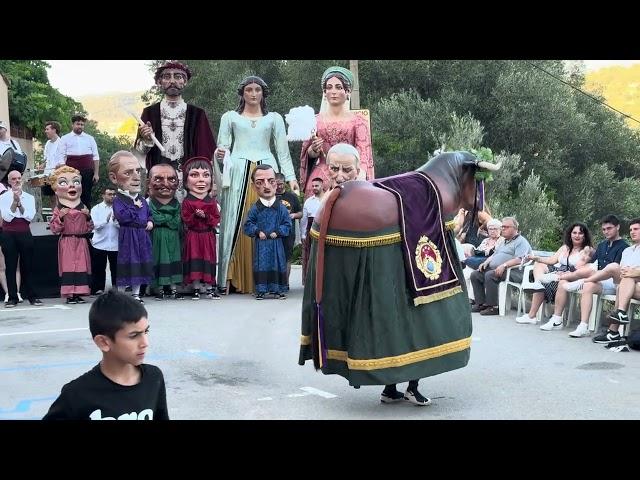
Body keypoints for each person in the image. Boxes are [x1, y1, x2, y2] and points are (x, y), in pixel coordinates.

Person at [300, 148, 498, 405]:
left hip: (406, 276)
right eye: (334, 168)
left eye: (346, 169)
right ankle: (395, 387)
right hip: (401, 281)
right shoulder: (349, 198)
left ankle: (405, 387)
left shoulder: (382, 193)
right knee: (403, 330)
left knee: (405, 329)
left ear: (359, 168)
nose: (339, 175)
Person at [214, 75, 298, 294]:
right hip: (239, 171)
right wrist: (221, 154)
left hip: (268, 169)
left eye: (257, 90)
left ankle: (270, 280)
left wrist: (290, 178)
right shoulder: (229, 117)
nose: (253, 94)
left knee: (271, 221)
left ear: (263, 93)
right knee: (237, 220)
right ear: (242, 93)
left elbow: (282, 152)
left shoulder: (274, 119)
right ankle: (231, 278)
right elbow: (222, 148)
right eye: (249, 89)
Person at [43, 290, 169, 420]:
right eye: (134, 336)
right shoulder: (78, 393)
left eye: (146, 332)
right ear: (103, 342)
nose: (145, 343)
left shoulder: (154, 378)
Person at [539, 214, 628, 338]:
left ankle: (564, 277)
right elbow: (591, 264)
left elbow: (616, 270)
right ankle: (559, 320)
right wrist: (581, 265)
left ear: (617, 227)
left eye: (609, 228)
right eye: (604, 229)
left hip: (612, 281)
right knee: (568, 284)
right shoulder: (602, 245)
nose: (606, 231)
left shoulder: (624, 247)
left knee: (587, 277)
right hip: (595, 279)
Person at [299, 66, 373, 199]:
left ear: (348, 91)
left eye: (338, 87)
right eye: (329, 87)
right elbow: (306, 154)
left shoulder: (358, 122)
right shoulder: (314, 121)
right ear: (324, 92)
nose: (333, 91)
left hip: (349, 177)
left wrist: (359, 180)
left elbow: (363, 155)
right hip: (321, 177)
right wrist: (313, 150)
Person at [135, 61, 216, 173]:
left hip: (189, 177)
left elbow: (205, 151)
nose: (172, 81)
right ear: (159, 82)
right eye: (167, 77)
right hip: (158, 176)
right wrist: (146, 140)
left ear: (185, 81)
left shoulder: (198, 114)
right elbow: (139, 154)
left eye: (178, 77)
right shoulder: (149, 113)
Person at [515, 222, 592, 326]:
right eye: (574, 233)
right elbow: (552, 260)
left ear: (585, 235)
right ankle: (538, 284)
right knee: (539, 265)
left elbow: (582, 268)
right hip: (557, 272)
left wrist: (565, 273)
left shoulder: (587, 250)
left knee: (545, 282)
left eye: (580, 233)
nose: (577, 235)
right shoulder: (565, 247)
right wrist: (535, 258)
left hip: (572, 275)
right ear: (570, 234)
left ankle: (532, 315)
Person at [583, 219, 640, 345]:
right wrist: (630, 273)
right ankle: (615, 328)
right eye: (631, 230)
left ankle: (614, 331)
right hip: (631, 286)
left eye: (636, 229)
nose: (632, 232)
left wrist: (635, 272)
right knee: (623, 285)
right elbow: (623, 271)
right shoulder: (628, 251)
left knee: (625, 280)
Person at [109, 151, 153, 304]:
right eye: (128, 172)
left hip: (141, 236)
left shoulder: (141, 198)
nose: (136, 177)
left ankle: (136, 293)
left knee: (140, 263)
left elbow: (148, 213)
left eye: (138, 171)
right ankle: (120, 294)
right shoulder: (119, 199)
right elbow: (123, 217)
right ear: (114, 178)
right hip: (128, 236)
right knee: (126, 263)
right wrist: (134, 208)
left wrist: (149, 221)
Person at [243, 164, 291, 300]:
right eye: (260, 182)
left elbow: (287, 224)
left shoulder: (281, 208)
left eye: (271, 181)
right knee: (261, 265)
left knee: (278, 264)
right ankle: (261, 290)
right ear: (254, 187)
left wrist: (278, 231)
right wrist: (257, 231)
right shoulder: (255, 208)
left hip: (276, 244)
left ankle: (278, 290)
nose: (266, 186)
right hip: (262, 244)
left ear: (276, 184)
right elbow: (248, 225)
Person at [48, 166, 94, 304]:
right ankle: (69, 294)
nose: (71, 186)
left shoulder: (83, 207)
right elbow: (54, 229)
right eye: (64, 182)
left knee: (81, 266)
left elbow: (90, 227)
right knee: (68, 266)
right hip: (67, 241)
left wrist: (88, 217)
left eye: (75, 182)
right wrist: (60, 218)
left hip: (80, 241)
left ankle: (79, 293)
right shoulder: (58, 209)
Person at [470, 217, 532, 315]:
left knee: (490, 275)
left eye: (506, 227)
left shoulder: (521, 241)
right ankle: (481, 303)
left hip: (514, 272)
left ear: (515, 228)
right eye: (502, 227)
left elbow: (520, 259)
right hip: (499, 269)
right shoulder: (504, 241)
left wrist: (504, 265)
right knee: (475, 274)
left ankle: (493, 307)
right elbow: (495, 254)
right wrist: (485, 262)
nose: (503, 229)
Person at [0, 170, 43, 308]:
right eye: (14, 179)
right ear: (9, 181)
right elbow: (7, 217)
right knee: (10, 266)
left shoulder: (29, 198)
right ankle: (12, 297)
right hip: (8, 234)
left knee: (28, 265)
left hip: (24, 233)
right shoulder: (3, 197)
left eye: (19, 178)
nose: (17, 181)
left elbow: (29, 216)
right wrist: (14, 202)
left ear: (22, 180)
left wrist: (20, 205)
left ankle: (32, 296)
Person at [182, 157, 221, 300]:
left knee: (209, 260)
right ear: (186, 180)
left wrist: (205, 216)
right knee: (195, 261)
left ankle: (210, 288)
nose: (201, 180)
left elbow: (216, 219)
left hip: (207, 235)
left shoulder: (211, 202)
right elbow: (186, 219)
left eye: (206, 175)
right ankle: (196, 288)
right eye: (194, 175)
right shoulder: (187, 201)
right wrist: (194, 215)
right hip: (193, 236)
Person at [147, 163, 183, 300]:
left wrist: (165, 220)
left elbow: (177, 221)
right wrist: (168, 219)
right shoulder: (149, 203)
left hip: (173, 237)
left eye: (171, 179)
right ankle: (160, 288)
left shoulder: (176, 204)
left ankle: (173, 288)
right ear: (148, 183)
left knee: (174, 260)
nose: (166, 184)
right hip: (157, 237)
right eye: (158, 179)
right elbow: (155, 218)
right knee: (159, 259)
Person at [56, 114, 100, 209]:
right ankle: (70, 218)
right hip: (71, 171)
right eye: (78, 124)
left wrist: (96, 173)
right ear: (73, 125)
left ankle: (86, 220)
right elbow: (61, 156)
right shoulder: (65, 138)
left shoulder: (90, 138)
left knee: (86, 195)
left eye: (82, 124)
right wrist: (65, 172)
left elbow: (96, 157)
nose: (80, 126)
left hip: (87, 171)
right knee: (71, 194)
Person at [90, 187, 119, 295]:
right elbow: (95, 226)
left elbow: (123, 225)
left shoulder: (119, 208)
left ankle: (116, 287)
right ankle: (98, 288)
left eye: (114, 194)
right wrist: (105, 220)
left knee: (115, 268)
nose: (112, 196)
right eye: (109, 194)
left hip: (115, 243)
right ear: (103, 195)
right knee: (99, 267)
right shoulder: (96, 209)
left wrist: (116, 221)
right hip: (100, 243)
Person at [275, 172, 301, 289]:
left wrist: (294, 215)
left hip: (289, 232)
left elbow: (301, 213)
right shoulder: (270, 196)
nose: (279, 186)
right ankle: (275, 283)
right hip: (274, 232)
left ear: (284, 183)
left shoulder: (292, 197)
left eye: (281, 184)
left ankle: (285, 283)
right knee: (274, 257)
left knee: (287, 258)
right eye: (277, 184)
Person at [300, 177, 325, 285]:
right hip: (311, 233)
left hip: (325, 231)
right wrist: (303, 234)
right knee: (311, 257)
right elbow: (304, 220)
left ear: (322, 186)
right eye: (313, 186)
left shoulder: (328, 199)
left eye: (316, 185)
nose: (314, 188)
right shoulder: (308, 202)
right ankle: (311, 282)